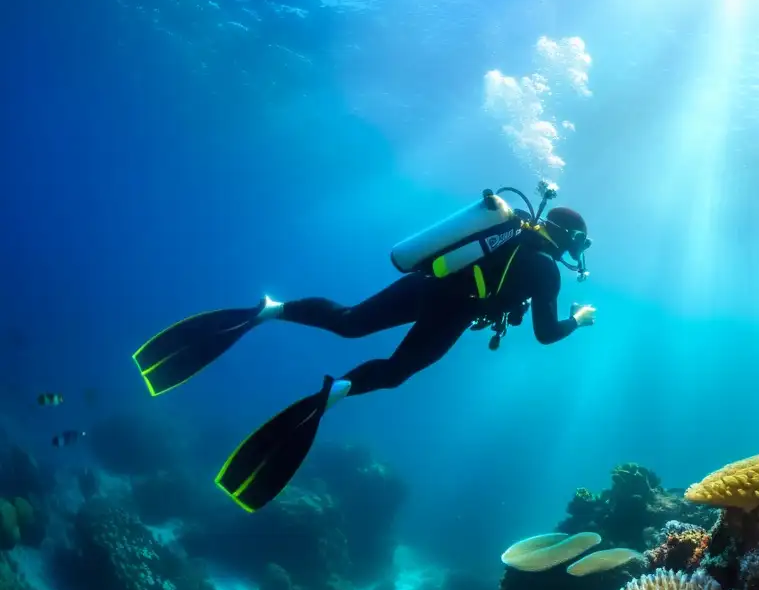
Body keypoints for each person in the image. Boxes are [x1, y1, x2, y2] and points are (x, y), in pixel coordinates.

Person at [132, 203, 596, 513]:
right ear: (568, 236)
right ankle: (336, 393)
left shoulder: (505, 234)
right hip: (453, 311)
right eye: (581, 243)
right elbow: (545, 334)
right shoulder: (544, 270)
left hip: (426, 284)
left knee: (350, 321)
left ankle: (271, 310)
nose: (579, 251)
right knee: (396, 371)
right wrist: (578, 320)